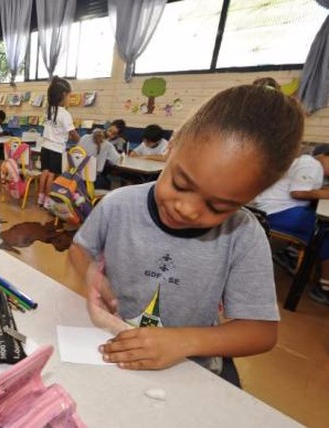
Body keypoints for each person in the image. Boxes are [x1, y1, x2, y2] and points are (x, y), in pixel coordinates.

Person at [68, 85, 304, 386]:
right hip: (113, 351)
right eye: (180, 184)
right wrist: (94, 278)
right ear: (173, 144)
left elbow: (261, 332)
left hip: (188, 370)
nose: (188, 210)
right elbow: (80, 249)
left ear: (253, 196)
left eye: (218, 206)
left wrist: (184, 342)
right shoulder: (118, 205)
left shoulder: (243, 236)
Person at [253, 145, 329, 304]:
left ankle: (290, 253)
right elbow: (298, 192)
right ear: (325, 156)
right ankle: (325, 287)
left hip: (272, 209)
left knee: (315, 219)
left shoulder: (309, 164)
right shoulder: (312, 165)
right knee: (324, 231)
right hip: (275, 213)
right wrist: (324, 193)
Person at [38, 76, 80, 208]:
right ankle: (48, 201)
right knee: (52, 175)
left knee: (44, 172)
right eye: (69, 96)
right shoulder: (65, 114)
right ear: (63, 95)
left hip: (45, 147)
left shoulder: (48, 110)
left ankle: (40, 198)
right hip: (57, 149)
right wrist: (82, 142)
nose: (69, 99)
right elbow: (73, 135)